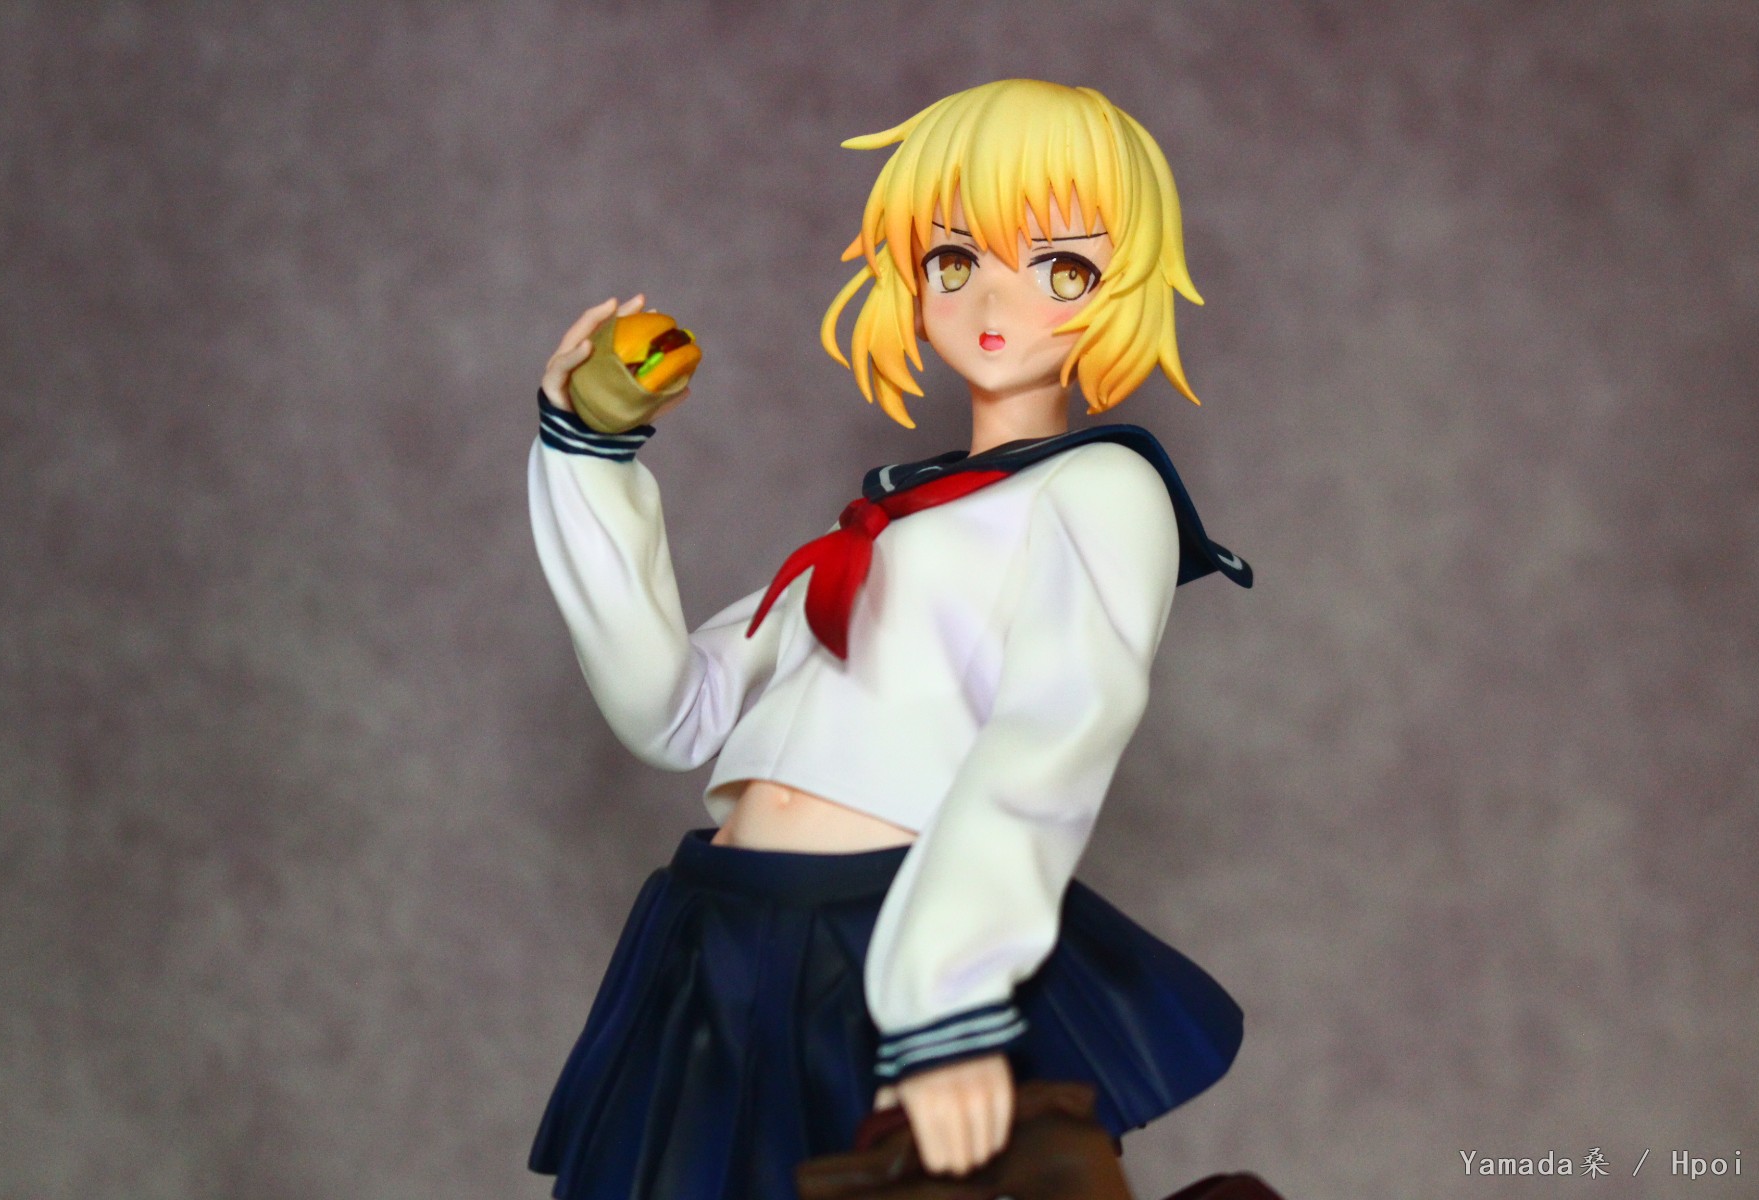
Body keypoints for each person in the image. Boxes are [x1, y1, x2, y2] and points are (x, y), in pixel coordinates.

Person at [525, 78, 1252, 1200]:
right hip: (717, 930)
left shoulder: (1105, 489)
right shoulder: (880, 519)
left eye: (1060, 268)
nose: (994, 298)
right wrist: (587, 457)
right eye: (955, 259)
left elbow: (1057, 731)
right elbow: (674, 713)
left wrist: (947, 1001)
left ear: (1126, 285)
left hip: (888, 938)